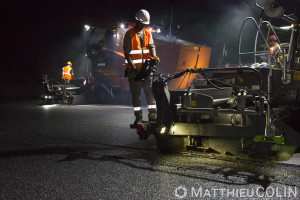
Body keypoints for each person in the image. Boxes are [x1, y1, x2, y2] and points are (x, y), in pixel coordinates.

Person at [123, 9, 159, 127]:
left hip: (146, 70)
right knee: (136, 95)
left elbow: (152, 46)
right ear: (137, 21)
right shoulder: (129, 34)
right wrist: (133, 67)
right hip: (134, 71)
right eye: (142, 23)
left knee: (149, 92)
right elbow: (127, 53)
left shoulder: (148, 33)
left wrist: (154, 57)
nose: (144, 25)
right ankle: (138, 118)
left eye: (145, 23)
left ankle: (152, 116)